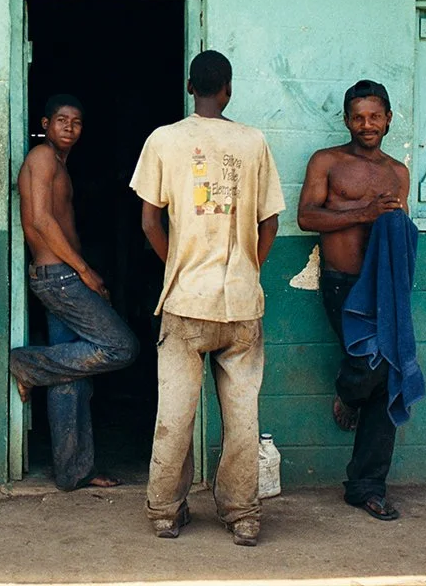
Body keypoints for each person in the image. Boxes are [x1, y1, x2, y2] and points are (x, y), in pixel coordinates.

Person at [130, 50, 284, 546]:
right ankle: (243, 514)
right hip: (241, 302)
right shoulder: (253, 141)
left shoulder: (165, 140)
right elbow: (271, 221)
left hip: (184, 299)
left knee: (174, 412)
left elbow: (149, 221)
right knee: (242, 414)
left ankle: (164, 512)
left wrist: (175, 263)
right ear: (228, 88)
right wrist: (248, 269)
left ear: (190, 86)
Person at [9, 94, 139, 491]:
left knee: (72, 376)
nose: (69, 127)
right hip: (59, 277)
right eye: (62, 120)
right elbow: (41, 221)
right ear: (46, 123)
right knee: (121, 347)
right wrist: (84, 272)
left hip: (62, 274)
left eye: (77, 122)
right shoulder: (42, 158)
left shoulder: (60, 164)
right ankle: (27, 362)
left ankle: (73, 471)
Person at [297, 79, 410, 521]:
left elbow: (400, 232)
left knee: (389, 375)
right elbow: (307, 216)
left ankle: (367, 487)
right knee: (368, 365)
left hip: (384, 287)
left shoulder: (398, 172)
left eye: (375, 116)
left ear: (388, 119)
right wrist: (362, 212)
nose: (367, 125)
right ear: (346, 119)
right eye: (358, 117)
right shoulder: (327, 161)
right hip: (342, 283)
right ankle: (348, 393)